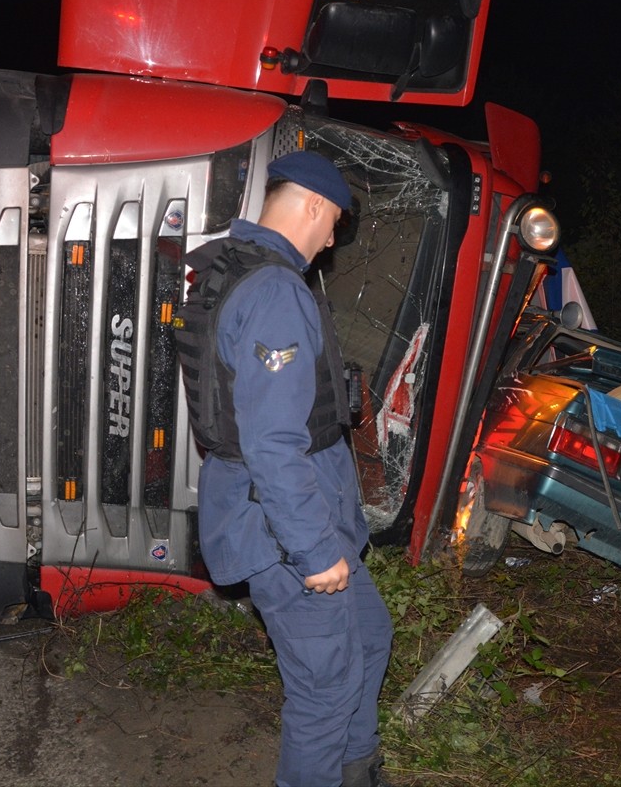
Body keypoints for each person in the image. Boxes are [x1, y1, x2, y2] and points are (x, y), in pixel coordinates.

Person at [175, 151, 394, 787]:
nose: (332, 240)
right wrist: (313, 550)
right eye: (334, 225)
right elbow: (272, 442)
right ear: (315, 206)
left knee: (369, 636)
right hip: (278, 523)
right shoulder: (275, 292)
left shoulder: (235, 265)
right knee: (325, 687)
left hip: (297, 508)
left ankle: (356, 771)